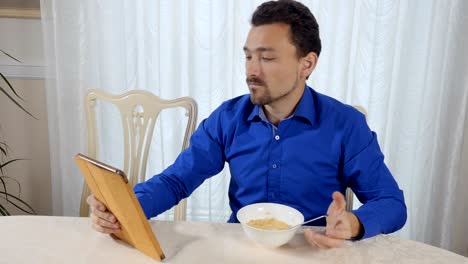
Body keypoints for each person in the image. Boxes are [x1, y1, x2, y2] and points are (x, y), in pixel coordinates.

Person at [87, 0, 407, 249]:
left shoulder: (346, 125)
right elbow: (176, 181)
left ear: (306, 64)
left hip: (315, 250)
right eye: (248, 56)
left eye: (266, 58)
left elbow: (391, 203)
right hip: (240, 248)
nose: (252, 71)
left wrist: (352, 223)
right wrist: (124, 208)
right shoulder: (228, 118)